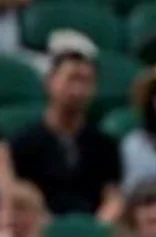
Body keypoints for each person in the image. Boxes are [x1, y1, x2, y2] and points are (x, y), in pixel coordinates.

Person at [8, 37, 122, 219]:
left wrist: (95, 230)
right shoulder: (23, 143)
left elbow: (112, 196)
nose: (78, 90)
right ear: (50, 82)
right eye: (72, 79)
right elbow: (20, 196)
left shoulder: (105, 145)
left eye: (86, 82)